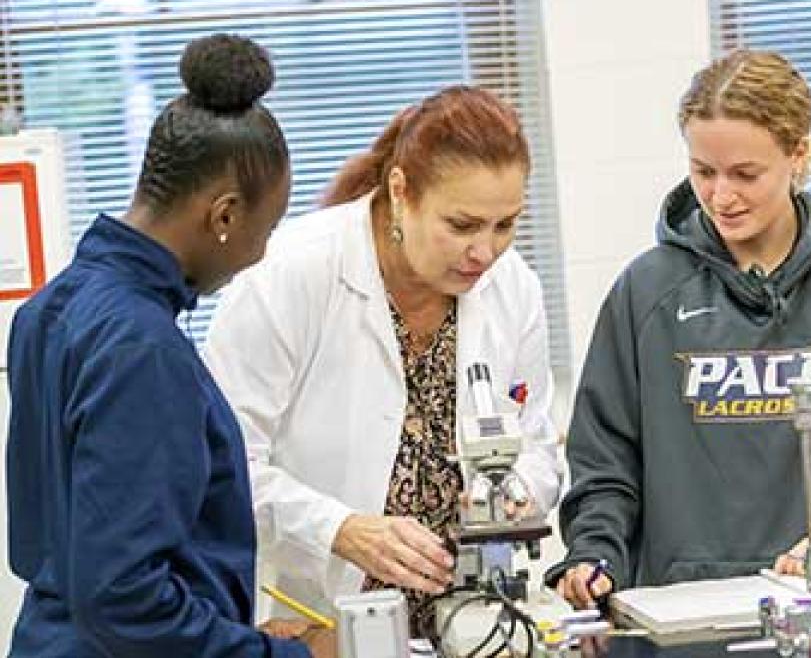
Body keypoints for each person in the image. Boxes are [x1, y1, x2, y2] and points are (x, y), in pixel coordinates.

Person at [549, 49, 811, 608]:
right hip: (679, 611)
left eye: (745, 174)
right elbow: (605, 461)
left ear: (797, 156)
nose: (720, 197)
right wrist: (594, 554)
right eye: (703, 172)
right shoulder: (646, 290)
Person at [5, 34, 331, 656]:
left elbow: (70, 550)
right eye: (267, 229)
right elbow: (124, 596)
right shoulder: (141, 347)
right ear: (226, 216)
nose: (261, 254)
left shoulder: (50, 310)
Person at [202, 85, 561, 632]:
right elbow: (223, 467)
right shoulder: (289, 274)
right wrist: (340, 529)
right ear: (401, 191)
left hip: (473, 618)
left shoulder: (513, 288)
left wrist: (519, 493)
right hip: (317, 616)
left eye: (505, 225)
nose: (484, 252)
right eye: (462, 225)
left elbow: (535, 440)